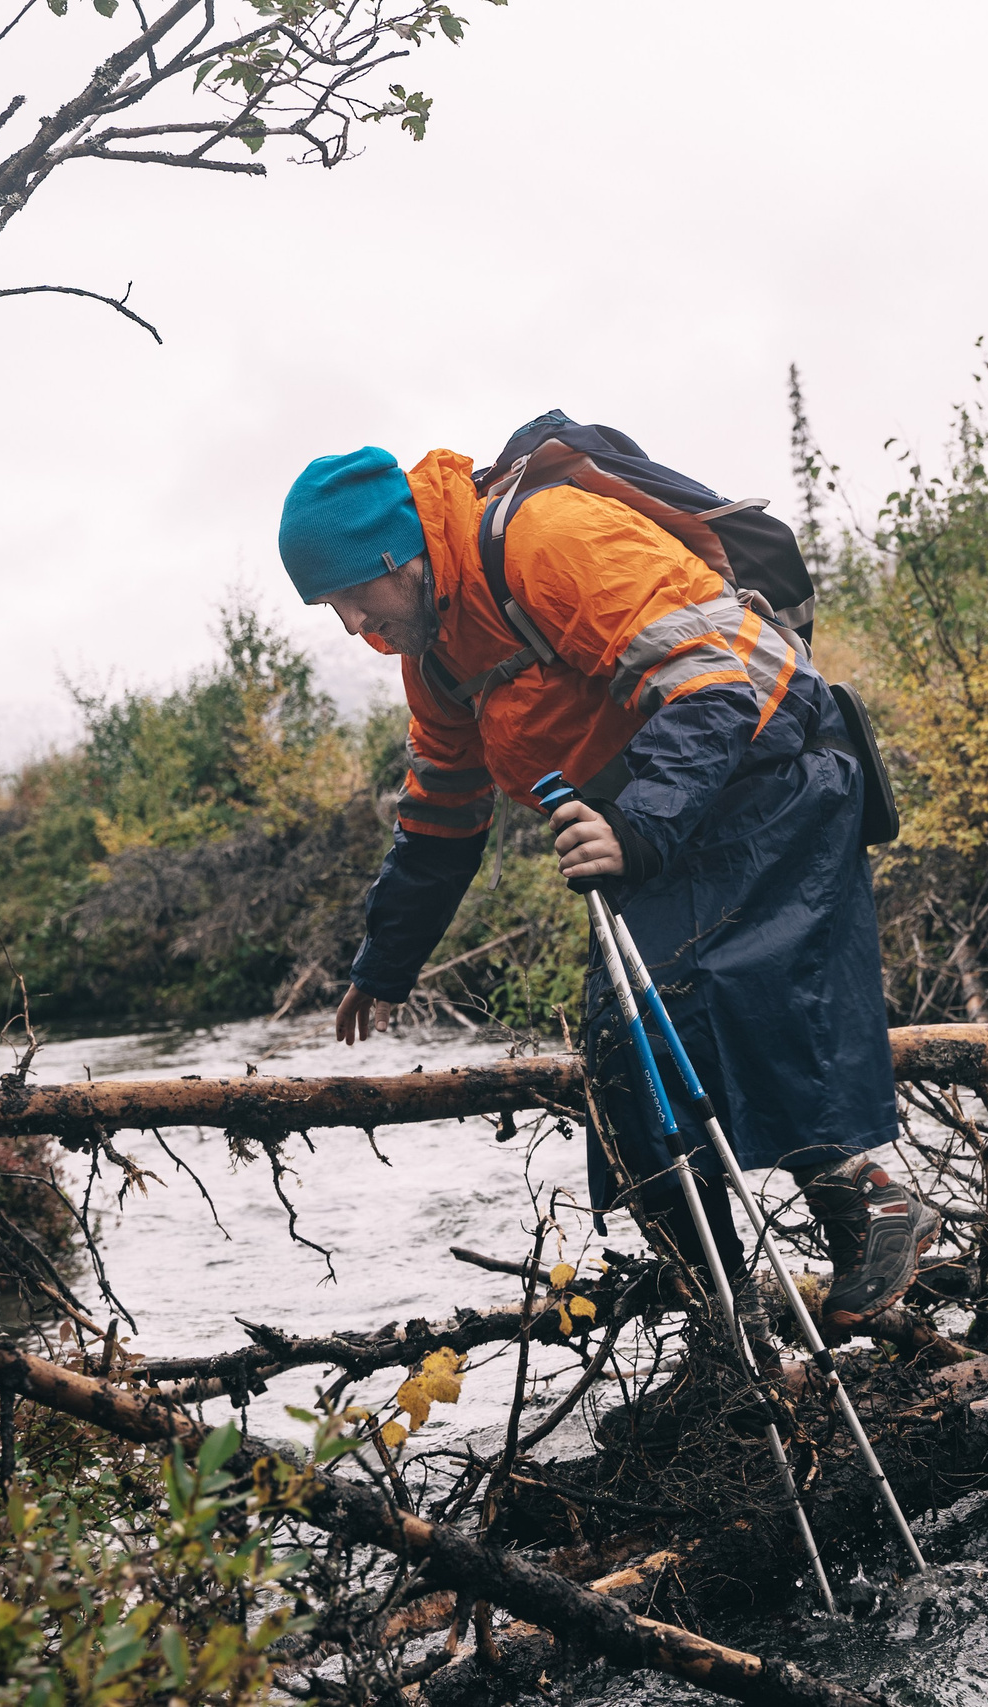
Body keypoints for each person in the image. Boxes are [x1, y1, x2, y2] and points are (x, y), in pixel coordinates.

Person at [277, 439, 935, 1334]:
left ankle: (868, 1201)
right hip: (661, 802)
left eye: (356, 596)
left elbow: (712, 683)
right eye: (333, 609)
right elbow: (441, 811)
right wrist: (384, 961)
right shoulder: (431, 652)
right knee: (623, 1063)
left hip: (770, 759)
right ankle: (721, 1317)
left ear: (398, 555)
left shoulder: (547, 536)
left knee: (718, 993)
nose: (354, 623)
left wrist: (634, 825)